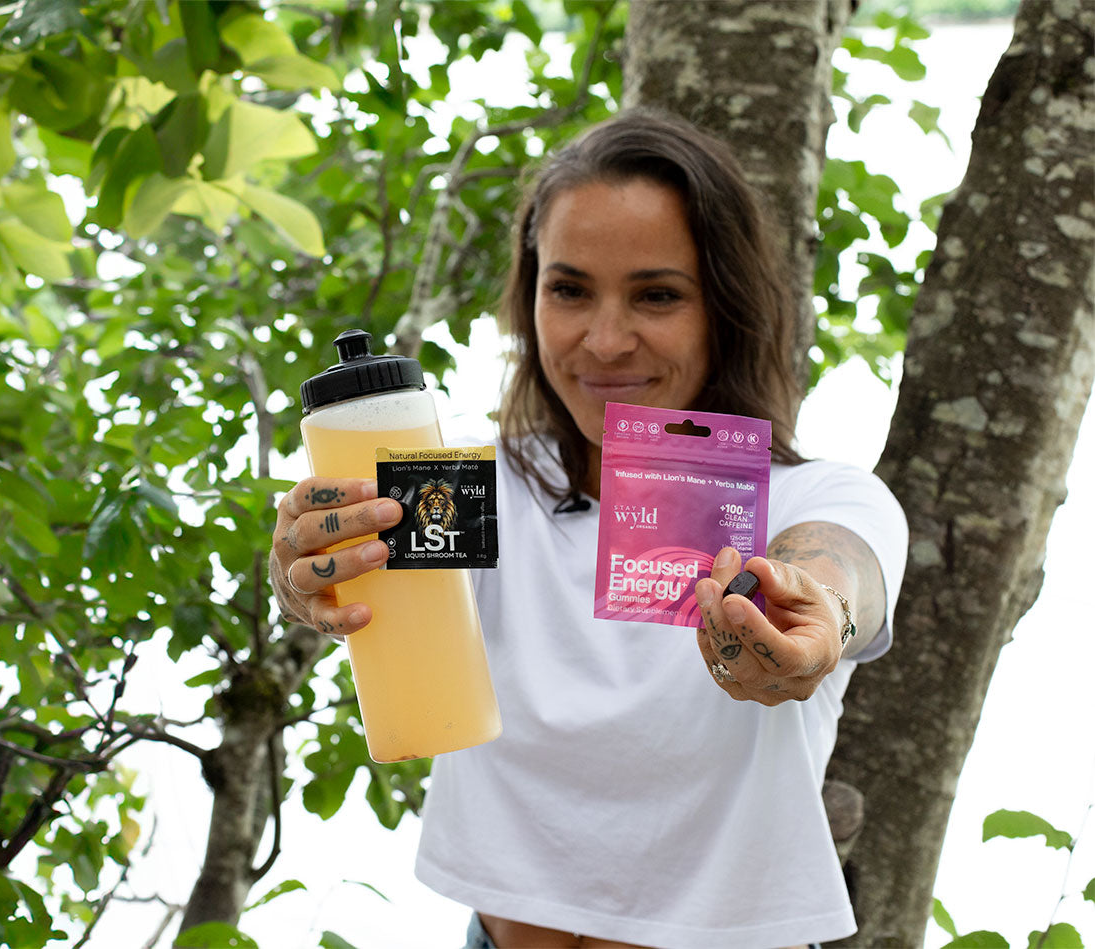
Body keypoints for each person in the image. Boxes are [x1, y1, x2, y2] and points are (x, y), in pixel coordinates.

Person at [267, 109, 908, 949]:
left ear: (727, 305)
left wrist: (814, 615)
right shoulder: (479, 486)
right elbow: (344, 569)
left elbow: (838, 566)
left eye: (657, 294)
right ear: (529, 297)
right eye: (569, 289)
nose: (605, 340)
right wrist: (306, 569)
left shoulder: (808, 497)